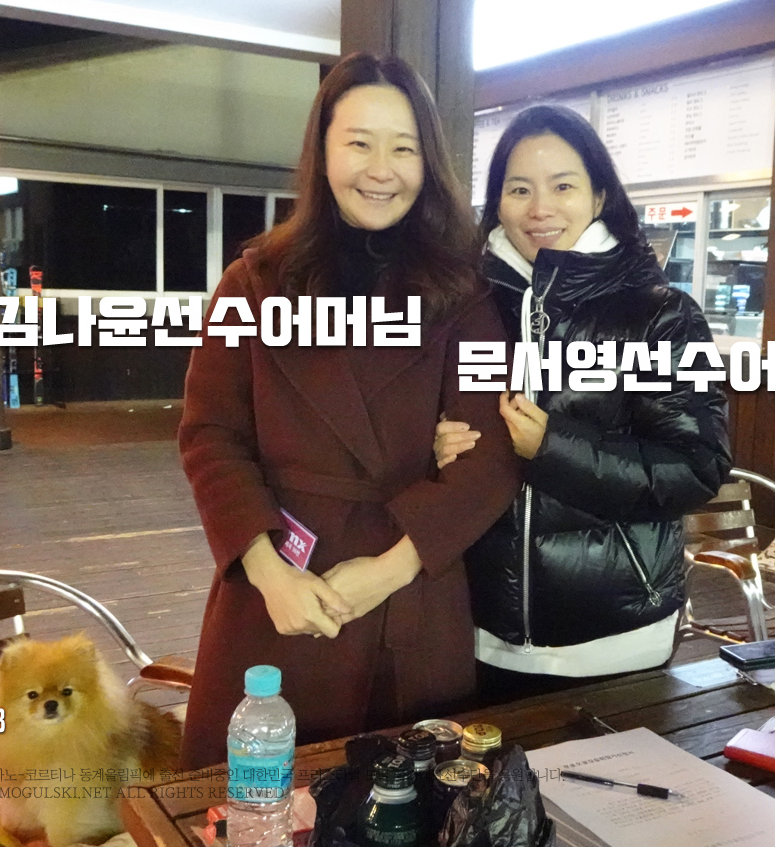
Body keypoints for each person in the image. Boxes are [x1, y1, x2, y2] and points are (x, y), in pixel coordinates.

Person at [178, 53, 520, 769]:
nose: (381, 170)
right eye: (359, 143)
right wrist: (270, 574)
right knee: (252, 800)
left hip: (410, 589)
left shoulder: (462, 292)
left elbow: (489, 457)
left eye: (405, 148)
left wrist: (388, 571)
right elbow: (211, 435)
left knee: (410, 799)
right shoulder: (253, 284)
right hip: (277, 590)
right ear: (322, 151)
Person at [434, 105, 732, 702]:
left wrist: (552, 447)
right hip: (477, 630)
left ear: (599, 196)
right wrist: (434, 444)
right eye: (519, 189)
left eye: (563, 186)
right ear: (497, 203)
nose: (539, 208)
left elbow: (697, 467)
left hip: (616, 635)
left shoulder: (661, 314)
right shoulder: (464, 306)